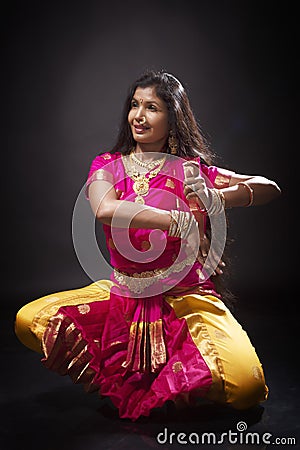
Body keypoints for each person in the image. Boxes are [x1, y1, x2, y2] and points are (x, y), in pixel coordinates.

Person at [15, 70, 281, 421]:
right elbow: (105, 209)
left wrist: (218, 197)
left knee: (247, 389)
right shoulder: (109, 165)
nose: (138, 116)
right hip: (125, 295)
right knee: (28, 320)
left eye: (152, 107)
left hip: (185, 296)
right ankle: (140, 372)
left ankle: (178, 373)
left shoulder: (191, 170)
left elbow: (269, 187)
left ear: (172, 118)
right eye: (135, 105)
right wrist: (175, 220)